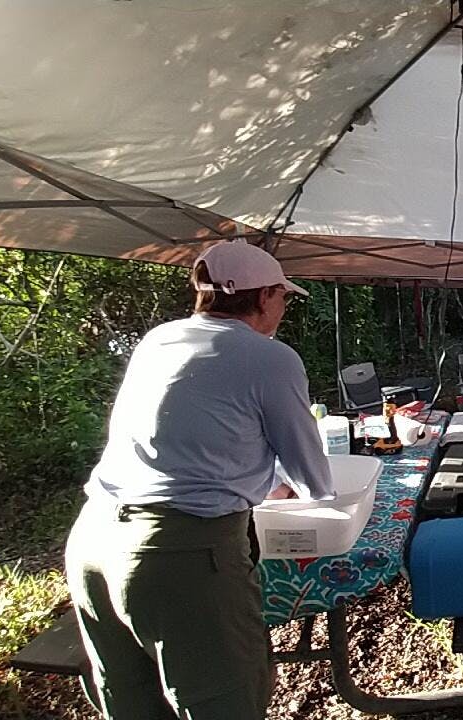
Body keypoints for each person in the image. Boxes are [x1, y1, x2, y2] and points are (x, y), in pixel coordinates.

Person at [64, 240, 334, 719]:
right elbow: (312, 477)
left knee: (131, 702)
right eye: (283, 297)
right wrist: (293, 485)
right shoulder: (270, 358)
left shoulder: (159, 340)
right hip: (178, 553)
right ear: (264, 296)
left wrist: (260, 480)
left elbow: (192, 440)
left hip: (93, 541)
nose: (283, 308)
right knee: (222, 700)